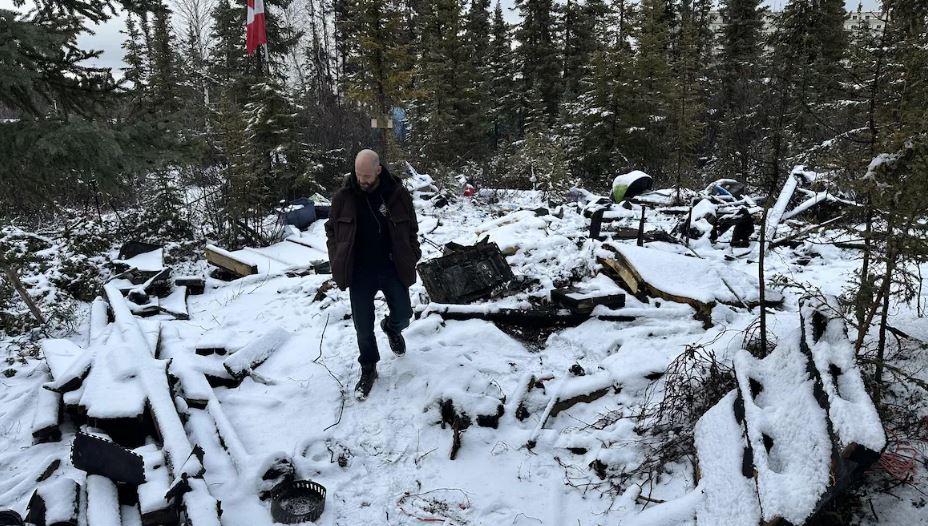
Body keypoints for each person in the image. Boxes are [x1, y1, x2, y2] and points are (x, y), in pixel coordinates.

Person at [325, 149, 422, 400]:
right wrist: (336, 258)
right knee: (363, 328)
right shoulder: (343, 197)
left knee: (404, 313)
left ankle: (391, 328)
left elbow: (411, 226)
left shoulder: (397, 194)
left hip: (391, 266)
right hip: (359, 271)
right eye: (358, 175)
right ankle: (368, 367)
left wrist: (413, 251)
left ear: (378, 170)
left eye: (367, 175)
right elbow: (331, 230)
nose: (362, 180)